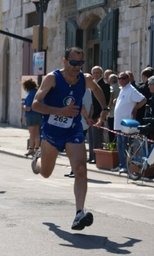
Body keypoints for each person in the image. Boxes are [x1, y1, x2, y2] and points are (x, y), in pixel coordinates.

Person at [31, 46, 108, 230]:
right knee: (46, 172)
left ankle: (79, 213)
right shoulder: (52, 78)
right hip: (51, 132)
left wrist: (104, 110)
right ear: (64, 61)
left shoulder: (85, 79)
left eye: (80, 63)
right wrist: (60, 111)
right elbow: (35, 104)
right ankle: (37, 160)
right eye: (73, 63)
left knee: (80, 169)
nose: (77, 67)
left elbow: (97, 90)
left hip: (73, 130)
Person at [111, 72, 146, 174]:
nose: (121, 80)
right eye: (119, 78)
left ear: (128, 79)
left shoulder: (131, 90)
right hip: (119, 123)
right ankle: (122, 164)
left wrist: (135, 108)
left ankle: (126, 165)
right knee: (120, 145)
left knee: (126, 145)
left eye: (123, 78)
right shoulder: (122, 89)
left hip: (126, 123)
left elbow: (143, 99)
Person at [87, 66, 110, 164]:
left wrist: (102, 114)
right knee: (91, 137)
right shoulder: (92, 84)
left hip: (98, 113)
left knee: (97, 137)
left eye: (97, 72)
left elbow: (105, 100)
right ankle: (91, 156)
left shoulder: (104, 85)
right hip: (91, 114)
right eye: (94, 72)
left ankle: (97, 157)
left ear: (101, 73)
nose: (96, 74)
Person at [22, 77, 41, 156]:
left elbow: (28, 108)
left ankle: (31, 149)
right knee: (37, 132)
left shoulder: (30, 94)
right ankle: (37, 148)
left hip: (31, 115)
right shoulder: (37, 92)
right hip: (38, 114)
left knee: (32, 133)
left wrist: (23, 105)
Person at [107, 74, 120, 142]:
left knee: (111, 131)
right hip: (119, 113)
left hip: (111, 113)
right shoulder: (120, 88)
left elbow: (110, 99)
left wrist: (107, 108)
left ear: (110, 81)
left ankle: (112, 145)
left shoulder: (111, 88)